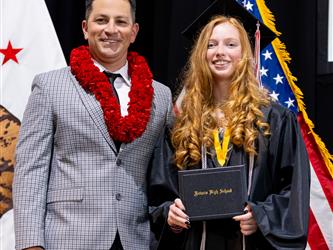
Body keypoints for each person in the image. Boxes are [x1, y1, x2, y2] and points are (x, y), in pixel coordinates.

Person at [13, 0, 173, 249]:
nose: (111, 29)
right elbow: (30, 171)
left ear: (134, 32)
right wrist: (31, 243)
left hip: (136, 239)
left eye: (121, 22)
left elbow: (164, 173)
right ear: (86, 28)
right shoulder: (50, 86)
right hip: (68, 238)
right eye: (102, 20)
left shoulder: (160, 96)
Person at [148, 15, 310, 250]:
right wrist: (170, 215)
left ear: (245, 54)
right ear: (201, 55)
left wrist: (261, 216)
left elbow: (293, 191)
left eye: (230, 44)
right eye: (211, 45)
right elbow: (159, 193)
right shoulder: (182, 123)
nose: (219, 52)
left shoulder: (274, 120)